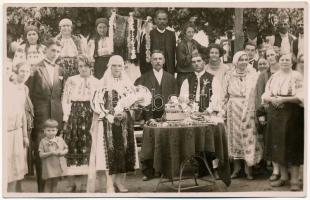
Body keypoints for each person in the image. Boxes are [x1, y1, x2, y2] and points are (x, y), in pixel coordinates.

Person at [90, 55, 140, 193]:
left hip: (124, 122)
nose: (117, 68)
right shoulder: (102, 84)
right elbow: (95, 103)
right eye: (114, 66)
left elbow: (134, 102)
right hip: (108, 123)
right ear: (109, 67)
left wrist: (127, 110)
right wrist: (107, 115)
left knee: (124, 151)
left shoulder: (127, 84)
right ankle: (109, 184)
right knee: (110, 152)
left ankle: (120, 182)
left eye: (120, 66)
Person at [26, 39, 64, 192]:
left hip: (56, 117)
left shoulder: (60, 70)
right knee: (42, 154)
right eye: (52, 50)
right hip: (40, 118)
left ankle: (53, 191)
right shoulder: (35, 69)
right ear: (45, 51)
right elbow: (27, 94)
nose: (55, 54)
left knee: (55, 154)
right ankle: (41, 191)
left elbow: (60, 93)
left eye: (57, 51)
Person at [262, 53, 303, 191]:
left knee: (291, 144)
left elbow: (301, 96)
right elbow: (266, 93)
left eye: (287, 60)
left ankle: (295, 180)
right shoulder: (274, 76)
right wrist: (272, 99)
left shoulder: (297, 76)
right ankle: (283, 177)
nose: (284, 62)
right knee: (278, 144)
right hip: (275, 113)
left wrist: (284, 100)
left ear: (292, 62)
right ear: (278, 62)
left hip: (291, 113)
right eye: (282, 59)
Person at [135, 50, 177, 181]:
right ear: (151, 61)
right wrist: (147, 117)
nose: (158, 61)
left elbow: (174, 98)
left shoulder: (171, 78)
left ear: (164, 61)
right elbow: (139, 100)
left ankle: (164, 170)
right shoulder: (143, 78)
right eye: (155, 59)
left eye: (160, 58)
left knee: (166, 142)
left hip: (166, 115)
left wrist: (169, 113)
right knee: (150, 143)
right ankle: (149, 171)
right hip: (150, 115)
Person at [222, 51, 263, 180]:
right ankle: (237, 168)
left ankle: (248, 167)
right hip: (233, 107)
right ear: (236, 61)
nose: (244, 62)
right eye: (241, 59)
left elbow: (256, 93)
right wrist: (222, 111)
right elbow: (224, 94)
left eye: (246, 59)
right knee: (234, 137)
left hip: (248, 107)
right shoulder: (229, 75)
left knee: (248, 136)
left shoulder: (253, 75)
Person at [62, 55, 99, 191]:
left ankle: (85, 183)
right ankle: (71, 183)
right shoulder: (71, 80)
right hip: (74, 114)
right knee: (72, 146)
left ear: (91, 67)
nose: (83, 69)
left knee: (87, 148)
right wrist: (66, 118)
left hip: (90, 115)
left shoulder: (97, 82)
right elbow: (65, 99)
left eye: (86, 66)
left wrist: (96, 119)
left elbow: (99, 101)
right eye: (80, 66)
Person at [255, 47, 280, 181]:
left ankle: (285, 170)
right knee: (270, 140)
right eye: (268, 55)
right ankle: (275, 171)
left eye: (273, 54)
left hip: (284, 111)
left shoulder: (285, 72)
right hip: (269, 112)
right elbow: (259, 96)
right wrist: (261, 116)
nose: (271, 57)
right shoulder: (263, 75)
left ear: (277, 55)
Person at [6, 63, 30, 192]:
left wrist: (25, 135)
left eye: (7, 69)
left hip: (18, 132)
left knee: (16, 168)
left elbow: (22, 114)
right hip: (5, 133)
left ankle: (13, 194)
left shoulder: (21, 89)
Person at [139, 9, 176, 75]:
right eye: (159, 19)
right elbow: (142, 56)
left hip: (168, 71)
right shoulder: (149, 35)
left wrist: (172, 72)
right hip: (152, 71)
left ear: (167, 20)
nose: (162, 21)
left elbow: (173, 55)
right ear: (155, 20)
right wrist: (144, 73)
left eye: (164, 19)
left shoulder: (171, 35)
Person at [39, 119, 68, 193]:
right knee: (48, 183)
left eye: (53, 130)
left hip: (57, 165)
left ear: (57, 131)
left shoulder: (60, 139)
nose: (51, 133)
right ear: (44, 131)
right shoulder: (43, 141)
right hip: (48, 166)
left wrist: (62, 153)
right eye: (48, 130)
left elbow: (66, 149)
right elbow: (41, 155)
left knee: (55, 183)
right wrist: (50, 153)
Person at [176, 22, 208, 91]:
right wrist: (191, 55)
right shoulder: (180, 45)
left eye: (192, 32)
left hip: (193, 74)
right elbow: (182, 63)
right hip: (183, 75)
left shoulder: (194, 42)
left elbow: (204, 50)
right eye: (189, 32)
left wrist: (213, 48)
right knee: (183, 96)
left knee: (193, 95)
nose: (191, 34)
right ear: (184, 33)